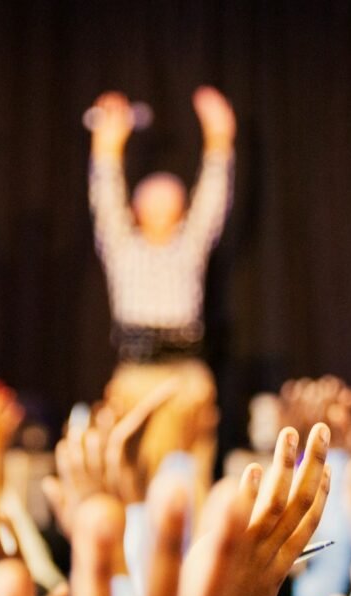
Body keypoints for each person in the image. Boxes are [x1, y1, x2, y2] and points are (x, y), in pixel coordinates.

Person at [87, 86, 236, 501]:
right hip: (137, 375)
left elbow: (213, 199)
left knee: (189, 482)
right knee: (135, 478)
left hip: (185, 375)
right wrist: (107, 146)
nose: (160, 205)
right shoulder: (123, 247)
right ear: (137, 209)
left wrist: (220, 138)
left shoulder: (188, 246)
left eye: (170, 199)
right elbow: (105, 197)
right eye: (150, 200)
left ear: (182, 208)